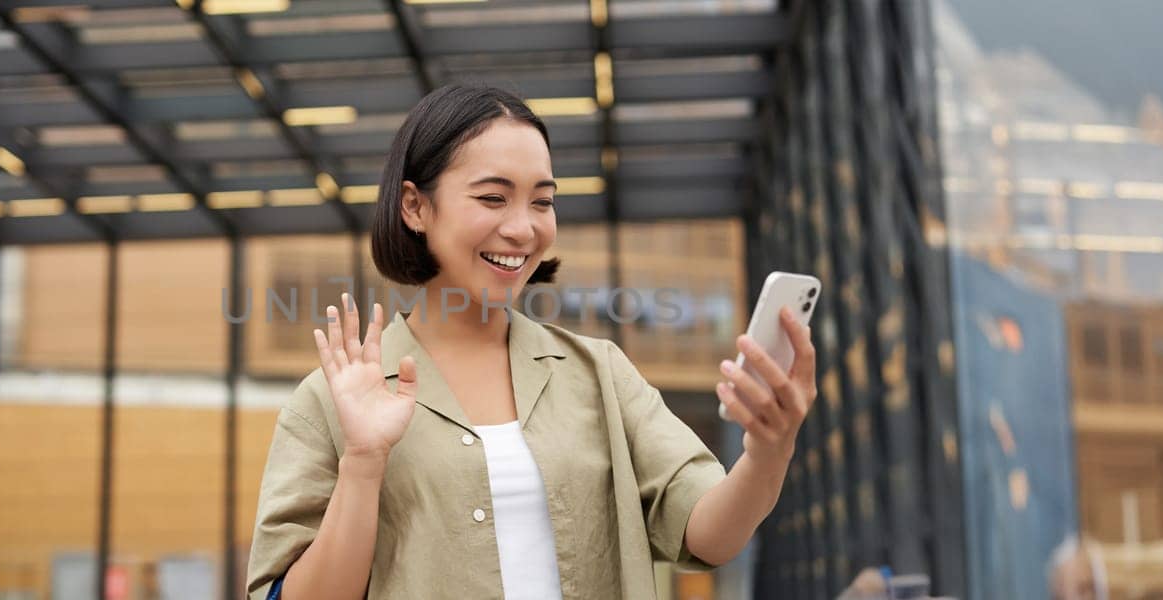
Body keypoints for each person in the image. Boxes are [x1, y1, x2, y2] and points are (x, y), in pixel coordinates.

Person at [243, 84, 818, 599]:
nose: (523, 228)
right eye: (493, 198)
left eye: (542, 200)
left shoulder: (600, 374)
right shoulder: (328, 404)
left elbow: (710, 536)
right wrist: (364, 463)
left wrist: (769, 450)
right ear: (415, 206)